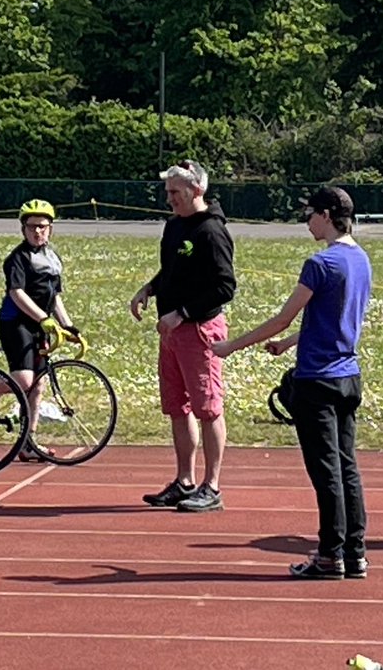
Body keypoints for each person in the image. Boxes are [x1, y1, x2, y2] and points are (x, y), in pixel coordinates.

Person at [212, 187, 371, 579]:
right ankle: (355, 553)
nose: (307, 221)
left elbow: (283, 316)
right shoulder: (361, 259)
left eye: (310, 214)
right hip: (349, 376)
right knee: (347, 467)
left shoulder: (320, 264)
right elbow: (334, 317)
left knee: (326, 471)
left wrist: (231, 346)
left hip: (318, 380)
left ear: (328, 215)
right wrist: (289, 343)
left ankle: (330, 554)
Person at [130, 160, 235, 513]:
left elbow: (225, 286)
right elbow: (171, 270)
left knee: (207, 409)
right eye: (168, 192)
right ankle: (184, 480)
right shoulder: (174, 226)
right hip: (171, 332)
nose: (169, 199)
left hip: (199, 330)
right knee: (178, 407)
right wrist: (149, 289)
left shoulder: (211, 231)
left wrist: (183, 313)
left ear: (197, 190)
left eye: (175, 192)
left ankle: (212, 485)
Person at [0, 198, 79, 462]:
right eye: (32, 226)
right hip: (15, 323)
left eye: (43, 226)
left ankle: (28, 442)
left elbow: (55, 296)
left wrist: (67, 326)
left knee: (39, 385)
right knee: (23, 381)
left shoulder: (52, 259)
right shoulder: (17, 258)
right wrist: (44, 319)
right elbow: (17, 293)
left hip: (40, 324)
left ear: (50, 229)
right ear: (23, 229)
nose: (37, 231)